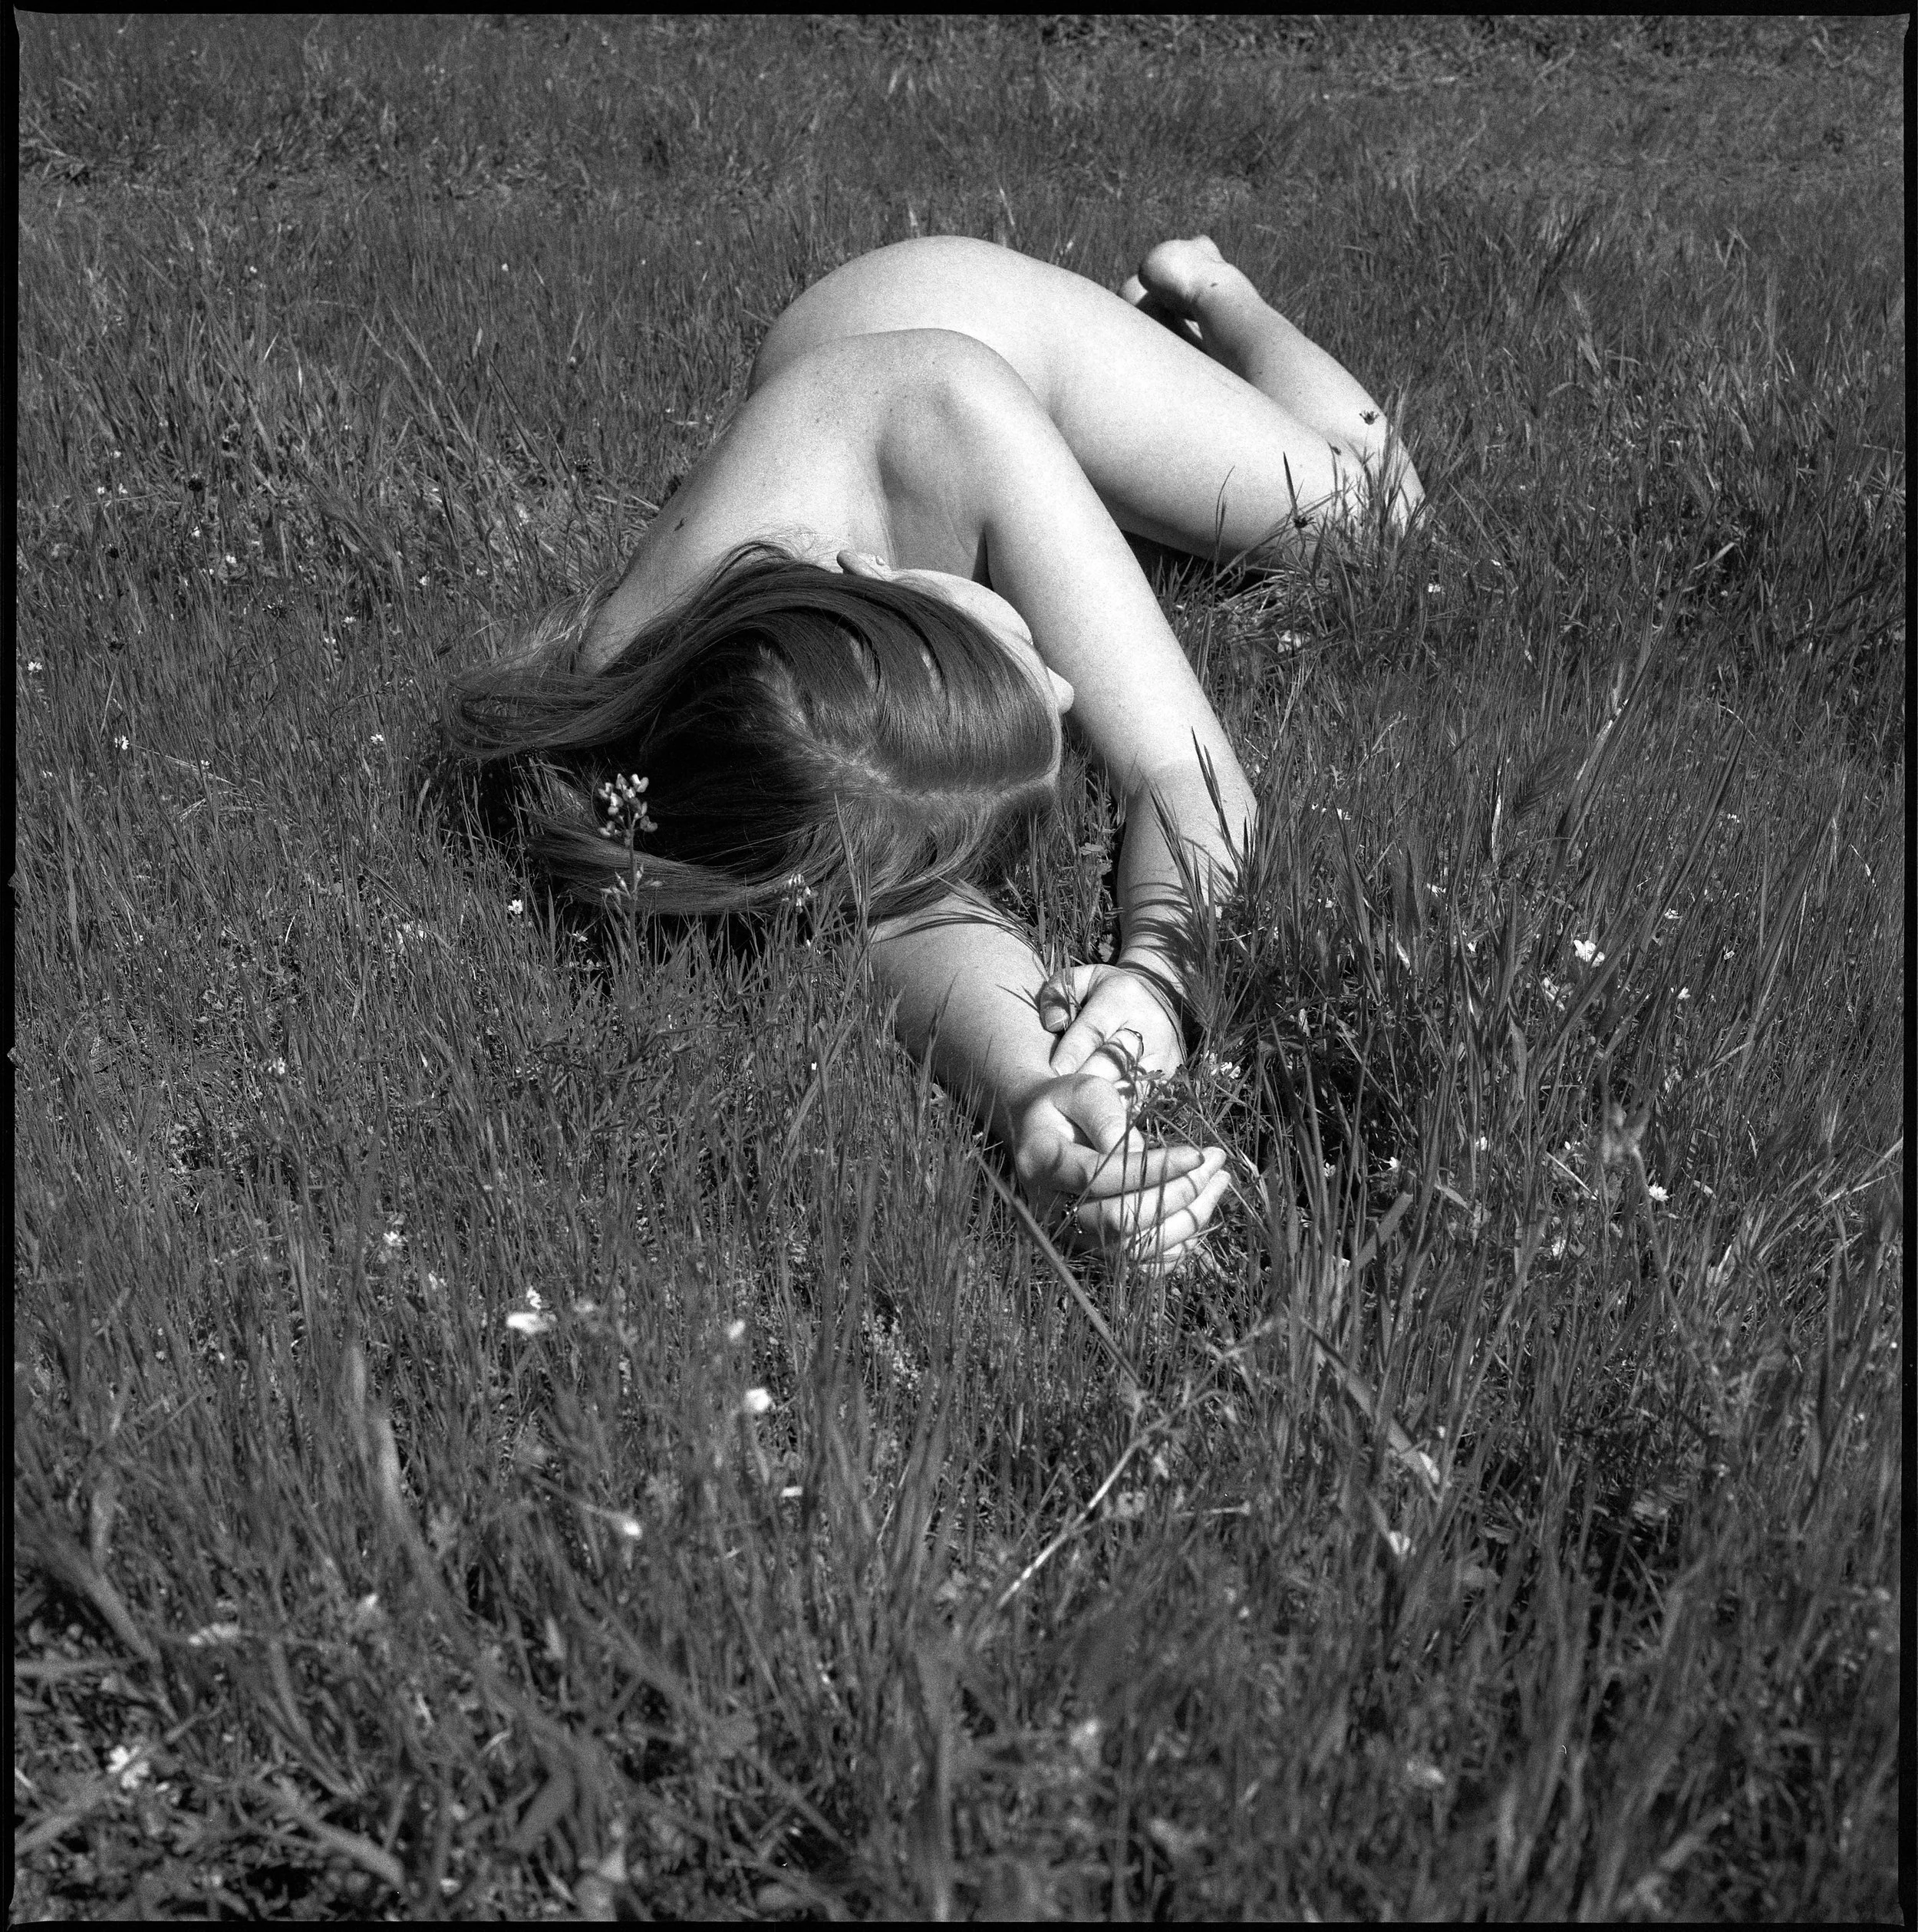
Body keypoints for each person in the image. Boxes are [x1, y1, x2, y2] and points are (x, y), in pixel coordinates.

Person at [443, 236, 1422, 1272]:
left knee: (1373, 514)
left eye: (1024, 648)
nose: (1066, 683)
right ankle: (1151, 437)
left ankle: (1201, 290)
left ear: (885, 575)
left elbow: (1186, 770)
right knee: (1151, 550)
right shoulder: (701, 721)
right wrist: (1036, 1094)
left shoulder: (955, 417)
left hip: (957, 325)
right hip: (881, 427)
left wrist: (1160, 971)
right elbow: (883, 906)